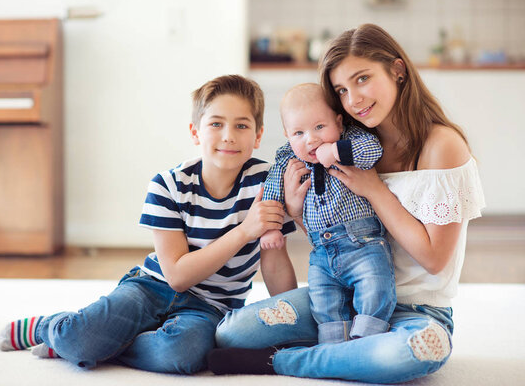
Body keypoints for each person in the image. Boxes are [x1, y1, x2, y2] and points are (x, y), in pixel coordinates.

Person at [208, 24, 485, 383]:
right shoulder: (344, 141)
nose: (353, 99)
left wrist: (374, 189)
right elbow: (336, 236)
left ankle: (282, 361)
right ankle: (347, 351)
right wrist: (295, 212)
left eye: (363, 79)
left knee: (413, 352)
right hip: (344, 298)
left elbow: (434, 260)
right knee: (233, 333)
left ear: (398, 71)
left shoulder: (440, 146)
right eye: (341, 89)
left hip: (417, 311)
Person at [0, 74, 298, 374]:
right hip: (151, 288)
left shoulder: (267, 185)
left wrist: (290, 324)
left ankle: (101, 344)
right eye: (216, 124)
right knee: (78, 338)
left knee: (183, 354)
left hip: (210, 307)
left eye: (241, 126)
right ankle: (50, 328)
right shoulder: (168, 184)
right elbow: (178, 276)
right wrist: (244, 230)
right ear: (196, 132)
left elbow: (274, 263)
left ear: (258, 136)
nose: (229, 135)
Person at [260, 83, 395, 344]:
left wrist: (335, 152)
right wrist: (271, 227)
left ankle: (368, 339)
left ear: (339, 121)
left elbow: (372, 151)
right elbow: (272, 189)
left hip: (362, 242)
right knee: (323, 299)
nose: (311, 139)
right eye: (298, 132)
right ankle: (334, 343)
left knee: (375, 285)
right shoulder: (289, 158)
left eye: (320, 127)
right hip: (321, 251)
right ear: (287, 136)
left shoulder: (350, 140)